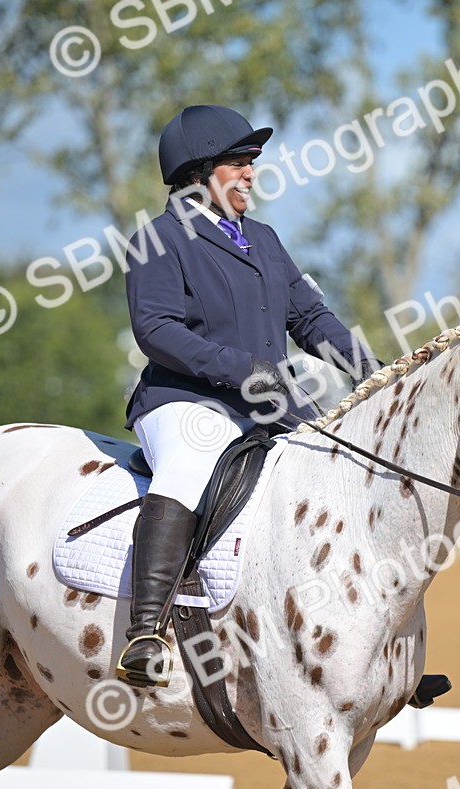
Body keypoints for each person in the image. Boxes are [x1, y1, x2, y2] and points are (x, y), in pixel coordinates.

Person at [118, 104, 383, 687]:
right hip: (183, 401)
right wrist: (245, 371)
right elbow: (157, 331)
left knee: (337, 469)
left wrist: (376, 374)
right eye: (240, 162)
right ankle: (146, 629)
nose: (251, 173)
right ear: (201, 170)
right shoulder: (157, 239)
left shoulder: (262, 240)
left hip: (268, 401)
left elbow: (311, 318)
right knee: (189, 464)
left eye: (252, 162)